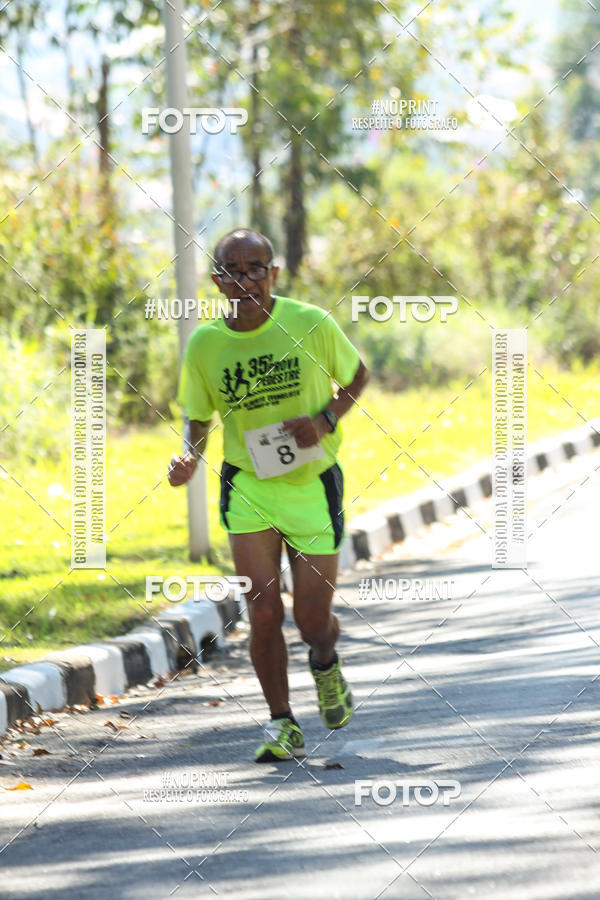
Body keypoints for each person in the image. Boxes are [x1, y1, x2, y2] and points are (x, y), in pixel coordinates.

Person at [169, 228, 369, 763]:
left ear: (273, 273)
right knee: (261, 612)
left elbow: (357, 376)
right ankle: (283, 722)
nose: (247, 281)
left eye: (256, 269)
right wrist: (189, 456)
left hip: (312, 486)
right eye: (234, 272)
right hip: (248, 486)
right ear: (217, 281)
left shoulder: (309, 323)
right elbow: (197, 417)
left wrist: (325, 420)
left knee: (312, 621)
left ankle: (324, 660)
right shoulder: (205, 344)